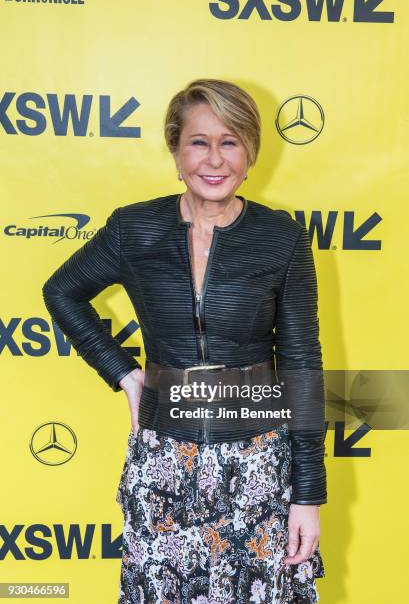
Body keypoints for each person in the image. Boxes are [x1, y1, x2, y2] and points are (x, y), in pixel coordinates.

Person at [42, 78, 327, 603]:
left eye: (231, 141)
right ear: (175, 150)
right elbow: (61, 292)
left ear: (250, 154)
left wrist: (306, 494)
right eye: (199, 141)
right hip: (163, 461)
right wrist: (123, 373)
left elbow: (302, 363)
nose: (214, 159)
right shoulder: (135, 229)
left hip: (258, 462)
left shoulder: (281, 239)